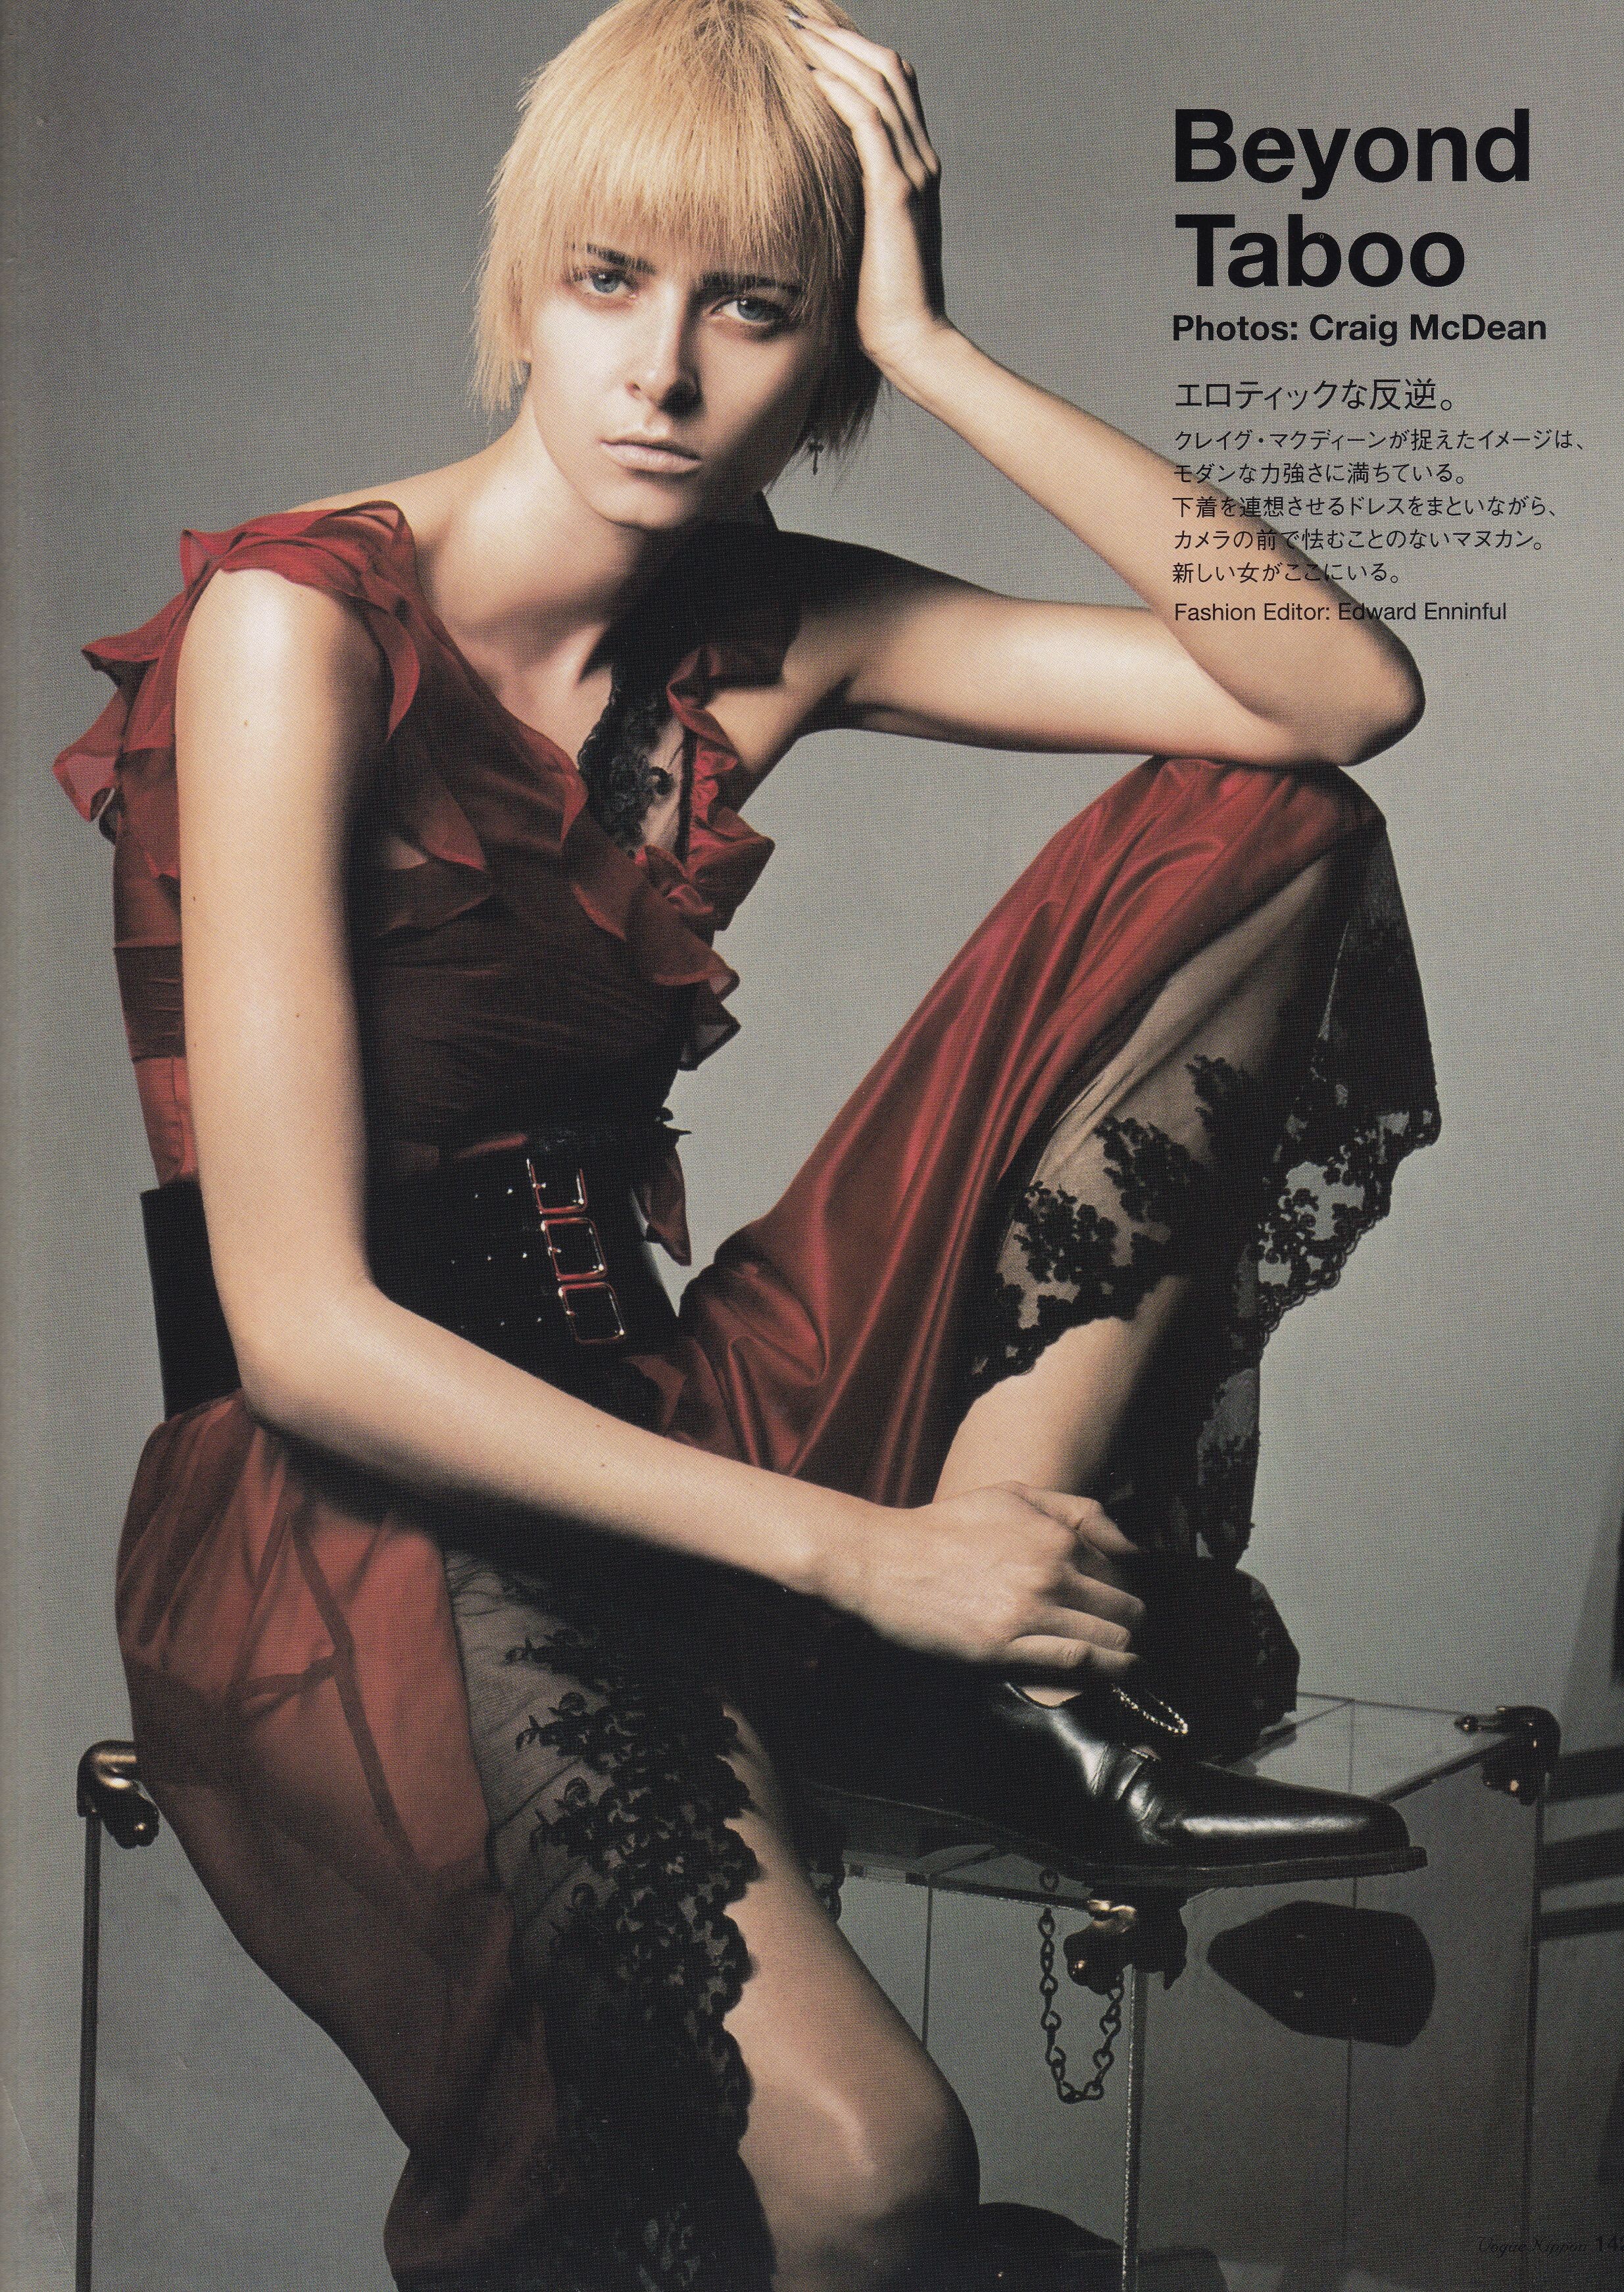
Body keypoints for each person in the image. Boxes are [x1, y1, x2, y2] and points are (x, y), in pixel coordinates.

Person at [53, 1, 1440, 2285]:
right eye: (610, 280)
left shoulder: (764, 627)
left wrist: (944, 351)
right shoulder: (298, 631)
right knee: (869, 2167)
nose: (663, 370)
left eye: (755, 308)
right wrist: (857, 1555)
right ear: (525, 288)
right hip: (355, 1503)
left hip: (669, 1399)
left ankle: (1010, 1615)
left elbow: (1338, 696)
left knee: (1270, 825)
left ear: (825, 362)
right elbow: (298, 1330)